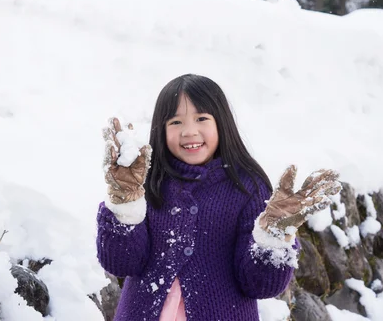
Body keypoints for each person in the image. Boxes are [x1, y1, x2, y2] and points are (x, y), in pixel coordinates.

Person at [96, 74, 341, 321]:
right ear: (160, 129)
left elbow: (261, 285)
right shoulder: (146, 182)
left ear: (221, 123)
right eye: (175, 122)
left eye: (201, 118)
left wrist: (274, 238)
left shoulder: (248, 188)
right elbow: (120, 263)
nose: (189, 131)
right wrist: (124, 204)